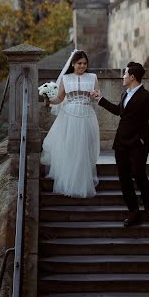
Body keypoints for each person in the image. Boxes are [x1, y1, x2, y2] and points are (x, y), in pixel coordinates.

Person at [91, 62, 149, 227]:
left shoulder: (147, 96)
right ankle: (133, 211)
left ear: (132, 77)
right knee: (124, 179)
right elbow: (119, 111)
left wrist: (143, 138)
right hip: (121, 143)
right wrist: (100, 99)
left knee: (138, 173)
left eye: (125, 74)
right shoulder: (125, 94)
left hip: (138, 144)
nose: (123, 76)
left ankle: (148, 203)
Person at [41, 50, 100, 198]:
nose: (82, 66)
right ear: (73, 64)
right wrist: (48, 99)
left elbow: (97, 96)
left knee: (84, 148)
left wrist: (95, 96)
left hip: (87, 115)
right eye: (79, 63)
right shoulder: (66, 79)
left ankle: (83, 181)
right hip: (69, 116)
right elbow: (60, 98)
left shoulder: (92, 77)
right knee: (71, 147)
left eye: (85, 63)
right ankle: (70, 182)